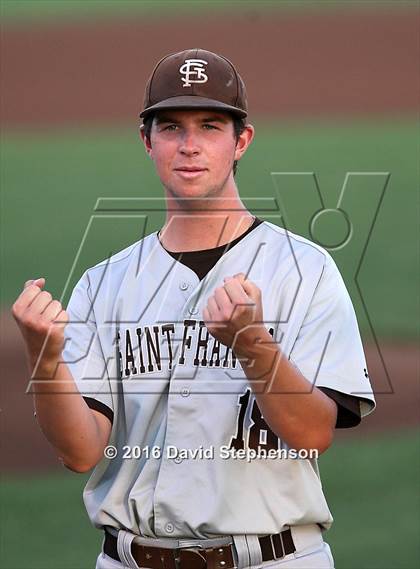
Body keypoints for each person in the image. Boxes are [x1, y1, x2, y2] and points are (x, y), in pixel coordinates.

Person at [12, 48, 375, 569]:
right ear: (147, 141)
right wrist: (43, 362)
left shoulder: (305, 271)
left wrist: (255, 345)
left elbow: (314, 433)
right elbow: (81, 452)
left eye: (209, 126)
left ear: (241, 141)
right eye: (170, 127)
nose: (189, 146)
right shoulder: (105, 284)